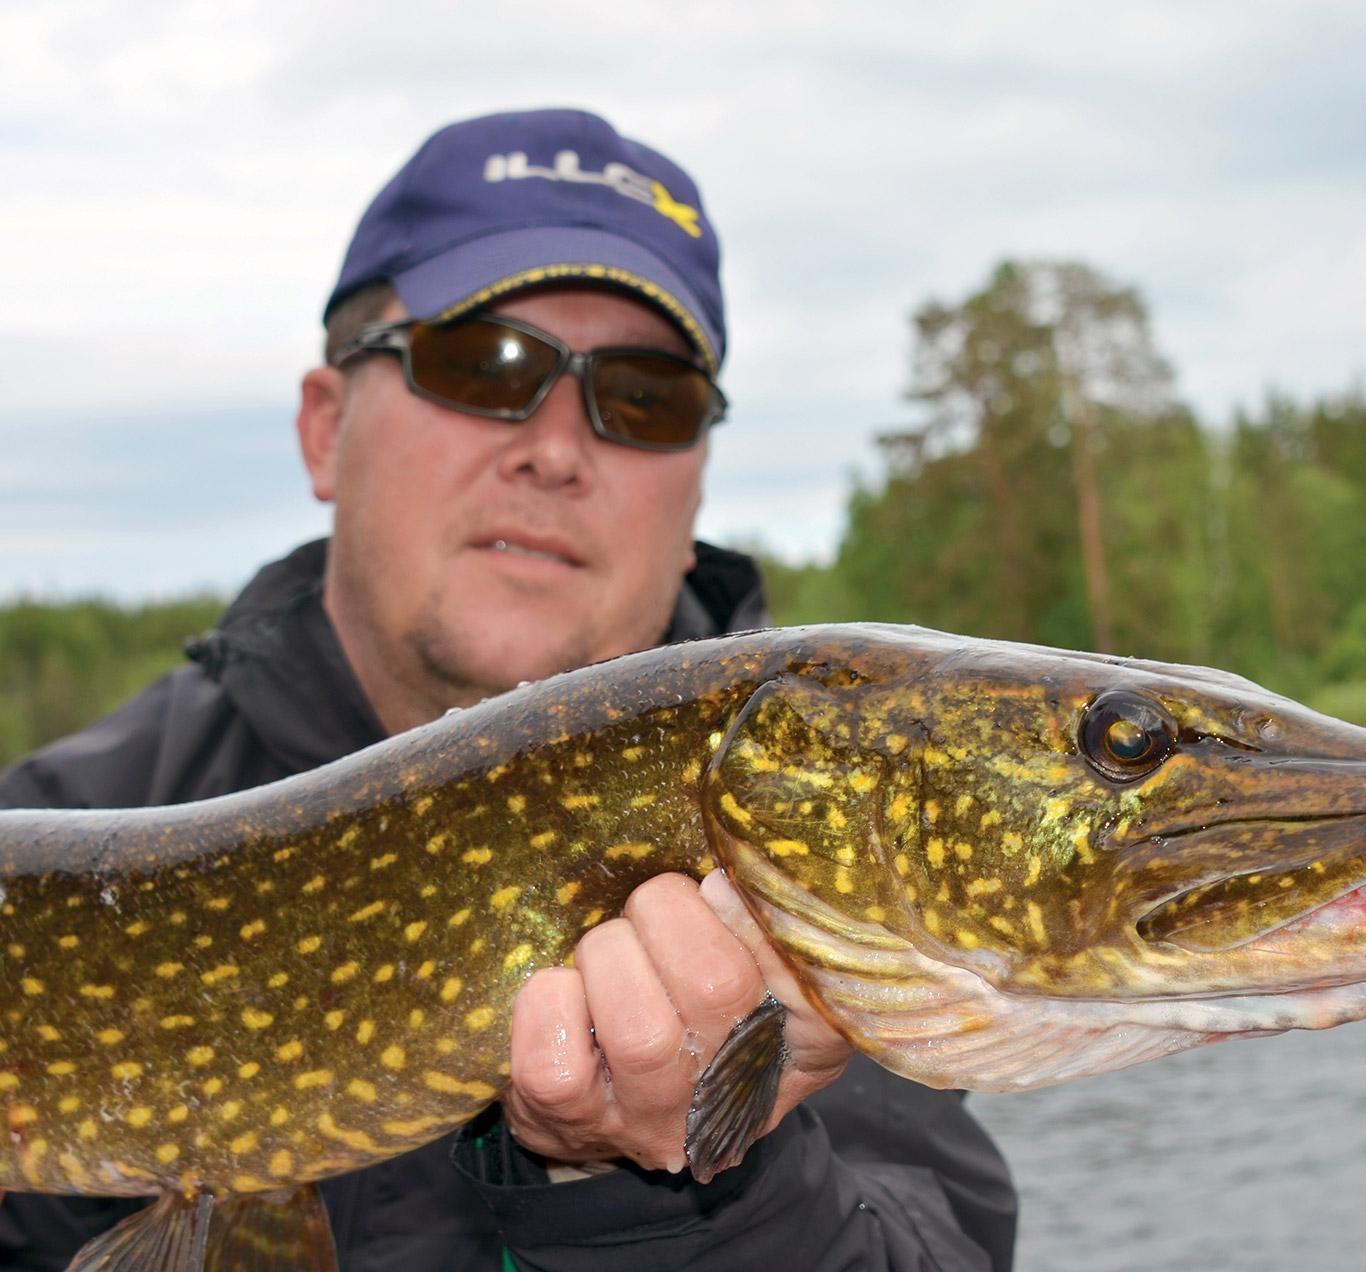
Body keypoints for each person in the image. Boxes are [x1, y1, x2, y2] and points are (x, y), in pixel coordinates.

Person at [0, 108, 1017, 1271]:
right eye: (481, 366)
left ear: (696, 490)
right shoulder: (62, 812)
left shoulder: (816, 850)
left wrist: (680, 1195)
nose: (557, 448)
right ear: (325, 430)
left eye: (645, 397)